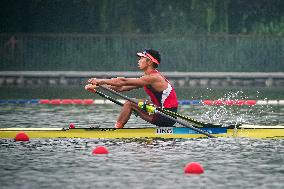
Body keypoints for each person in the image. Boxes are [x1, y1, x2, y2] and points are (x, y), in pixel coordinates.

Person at [85, 49, 178, 128]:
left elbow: (122, 81)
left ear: (149, 62)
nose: (139, 61)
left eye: (142, 58)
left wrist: (101, 81)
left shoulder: (153, 78)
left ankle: (117, 129)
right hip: (164, 114)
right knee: (143, 102)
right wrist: (97, 87)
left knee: (130, 103)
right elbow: (121, 88)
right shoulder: (149, 78)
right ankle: (119, 127)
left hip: (165, 117)